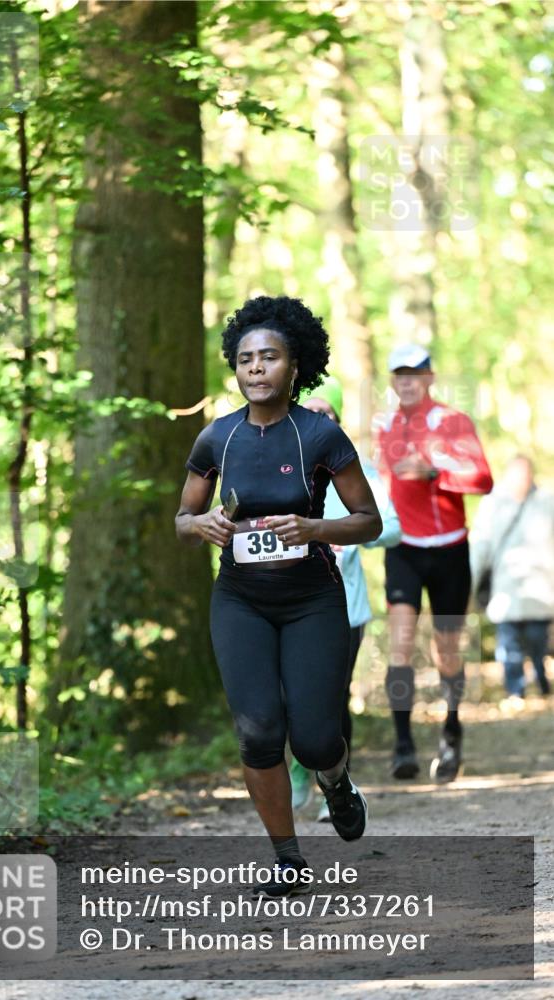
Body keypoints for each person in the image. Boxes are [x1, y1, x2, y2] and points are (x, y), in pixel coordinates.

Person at [175, 296, 382, 897]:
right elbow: (182, 519)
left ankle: (336, 781)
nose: (257, 368)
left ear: (296, 366)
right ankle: (287, 857)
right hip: (239, 599)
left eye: (270, 357)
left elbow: (367, 520)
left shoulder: (320, 434)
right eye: (246, 359)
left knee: (316, 738)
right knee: (259, 731)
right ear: (235, 370)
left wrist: (315, 528)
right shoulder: (217, 437)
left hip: (312, 596)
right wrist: (203, 524)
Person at [375, 344, 493, 782]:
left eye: (415, 373)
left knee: (445, 648)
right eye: (399, 374)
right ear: (392, 381)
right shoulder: (382, 425)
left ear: (430, 377)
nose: (406, 381)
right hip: (402, 547)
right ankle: (402, 745)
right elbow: (374, 480)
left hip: (448, 548)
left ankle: (451, 729)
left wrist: (435, 474)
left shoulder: (453, 422)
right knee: (401, 644)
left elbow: (483, 479)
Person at [288, 376, 402, 818]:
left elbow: (389, 527)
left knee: (333, 697)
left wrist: (353, 540)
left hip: (345, 607)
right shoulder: (284, 466)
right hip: (290, 603)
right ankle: (300, 766)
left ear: (338, 420)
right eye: (311, 412)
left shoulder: (355, 468)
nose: (319, 420)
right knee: (292, 697)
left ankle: (334, 785)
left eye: (327, 414)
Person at [470, 454, 553, 700]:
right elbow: (480, 546)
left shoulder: (546, 502)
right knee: (508, 646)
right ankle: (515, 690)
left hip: (540, 589)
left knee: (538, 643)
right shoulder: (493, 504)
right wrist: (469, 584)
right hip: (504, 591)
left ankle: (540, 679)